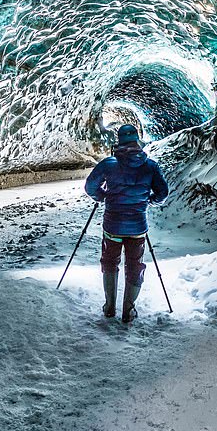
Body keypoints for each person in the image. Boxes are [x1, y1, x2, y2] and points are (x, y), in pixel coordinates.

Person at [84, 124, 169, 323]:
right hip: (137, 227)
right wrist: (149, 200)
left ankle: (109, 307)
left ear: (119, 141)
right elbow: (163, 193)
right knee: (135, 265)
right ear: (137, 140)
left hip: (113, 225)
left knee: (110, 261)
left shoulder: (109, 164)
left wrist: (103, 196)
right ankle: (128, 310)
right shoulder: (150, 166)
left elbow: (90, 187)